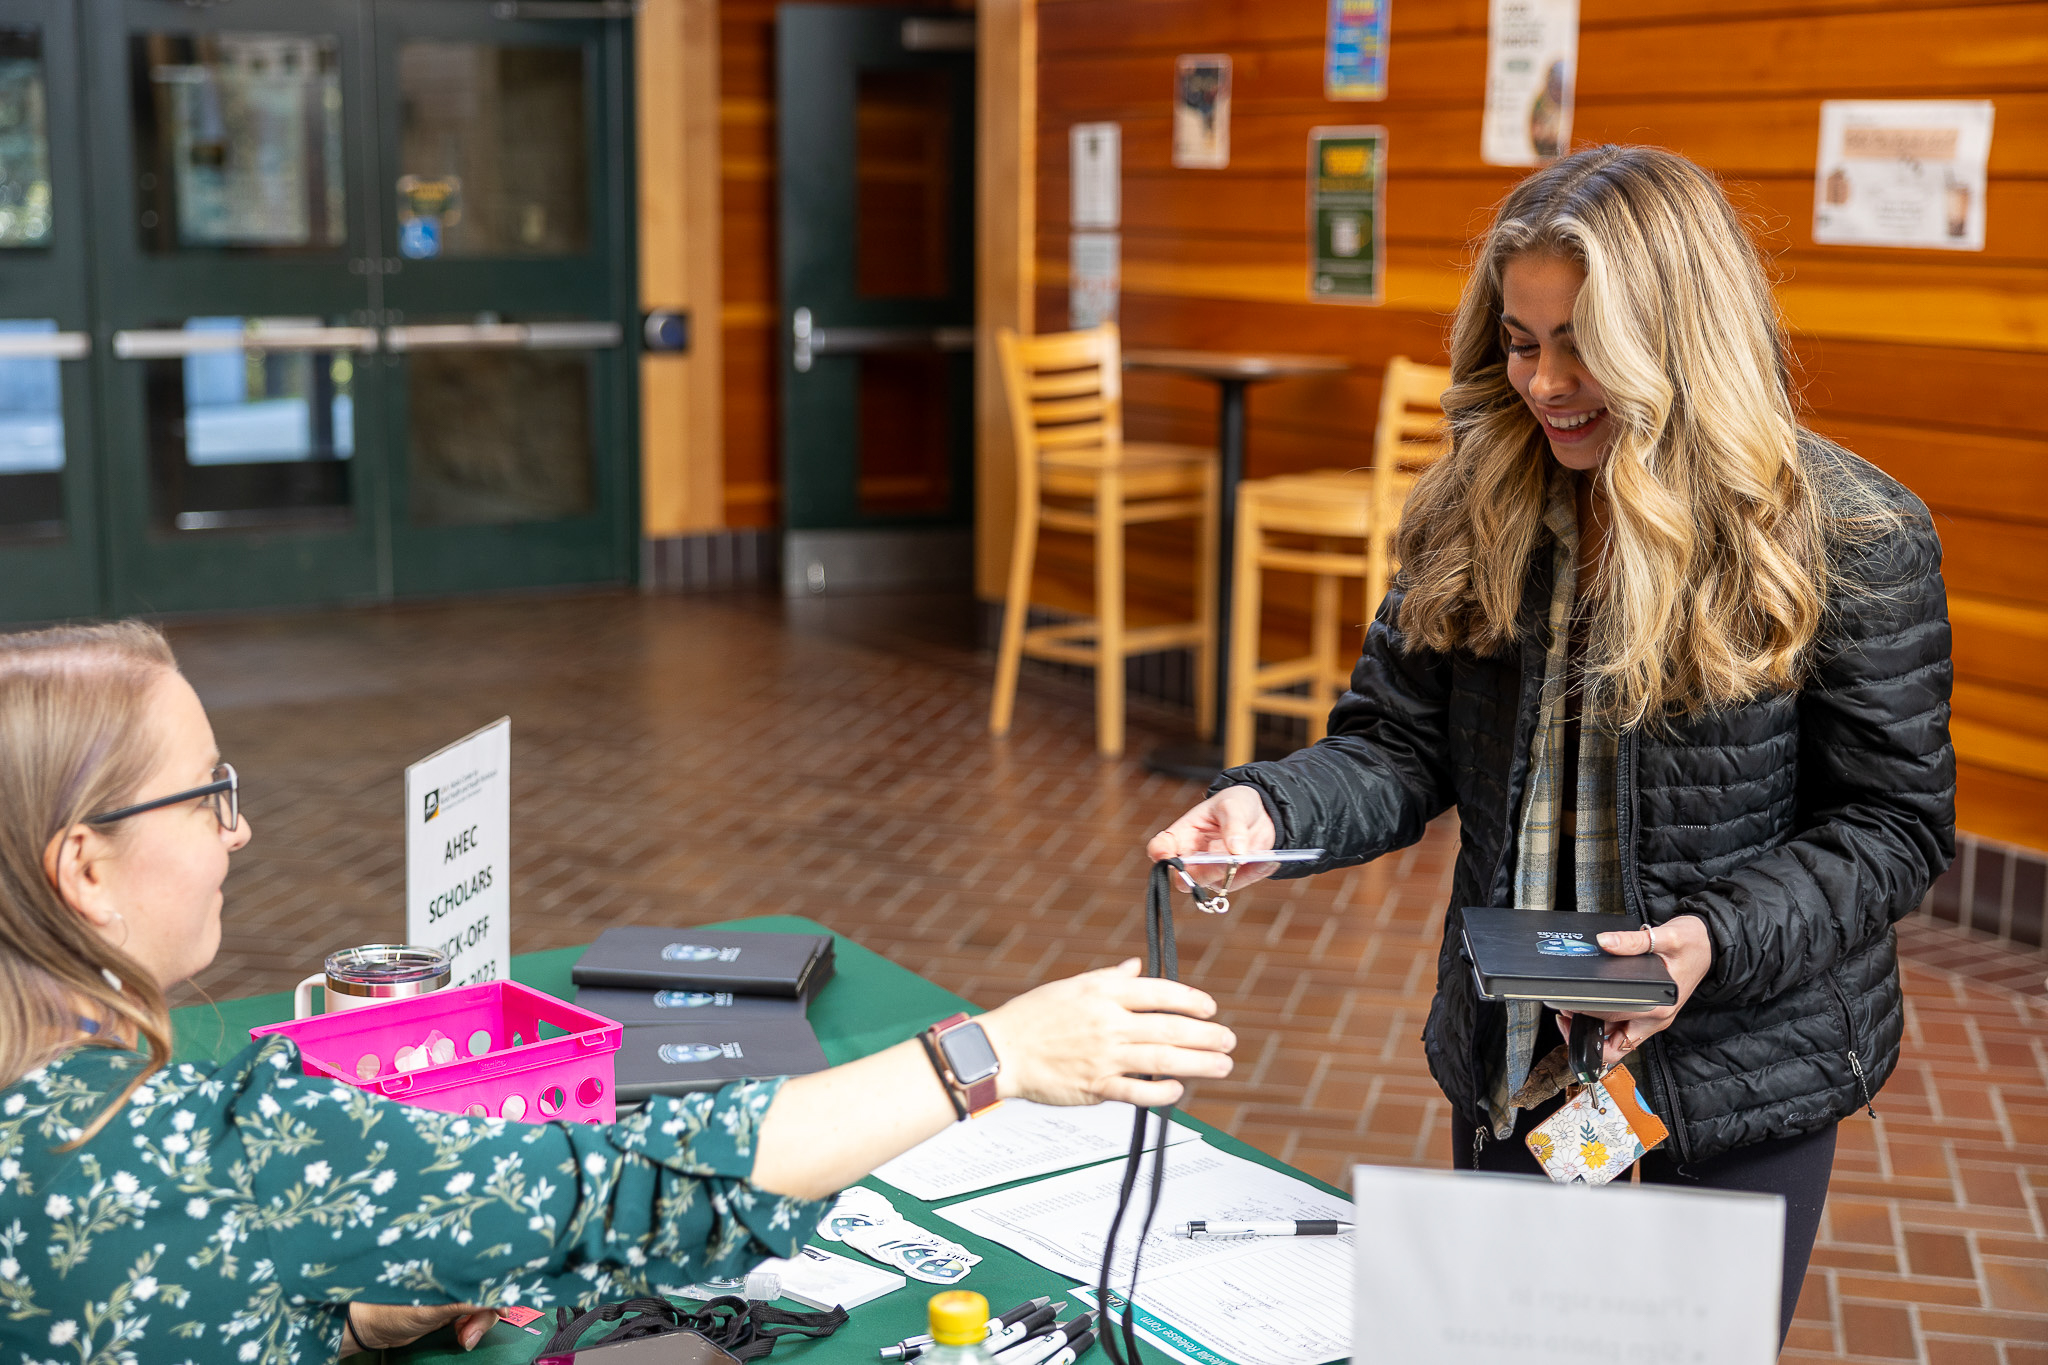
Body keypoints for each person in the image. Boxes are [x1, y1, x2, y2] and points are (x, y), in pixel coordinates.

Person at [1150, 145, 1952, 1341]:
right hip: (1515, 1060)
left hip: (1734, 1076)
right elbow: (1393, 744)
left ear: (1678, 335)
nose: (1542, 381)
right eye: (1520, 341)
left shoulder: (1848, 535)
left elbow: (1893, 829)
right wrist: (1273, 813)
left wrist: (1708, 945)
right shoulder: (1477, 506)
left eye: (1580, 341)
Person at [0, 622, 1236, 1363]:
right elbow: (670, 1181)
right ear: (85, 868)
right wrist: (995, 1054)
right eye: (208, 794)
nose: (241, 829)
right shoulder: (236, 1145)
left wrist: (364, 1323)